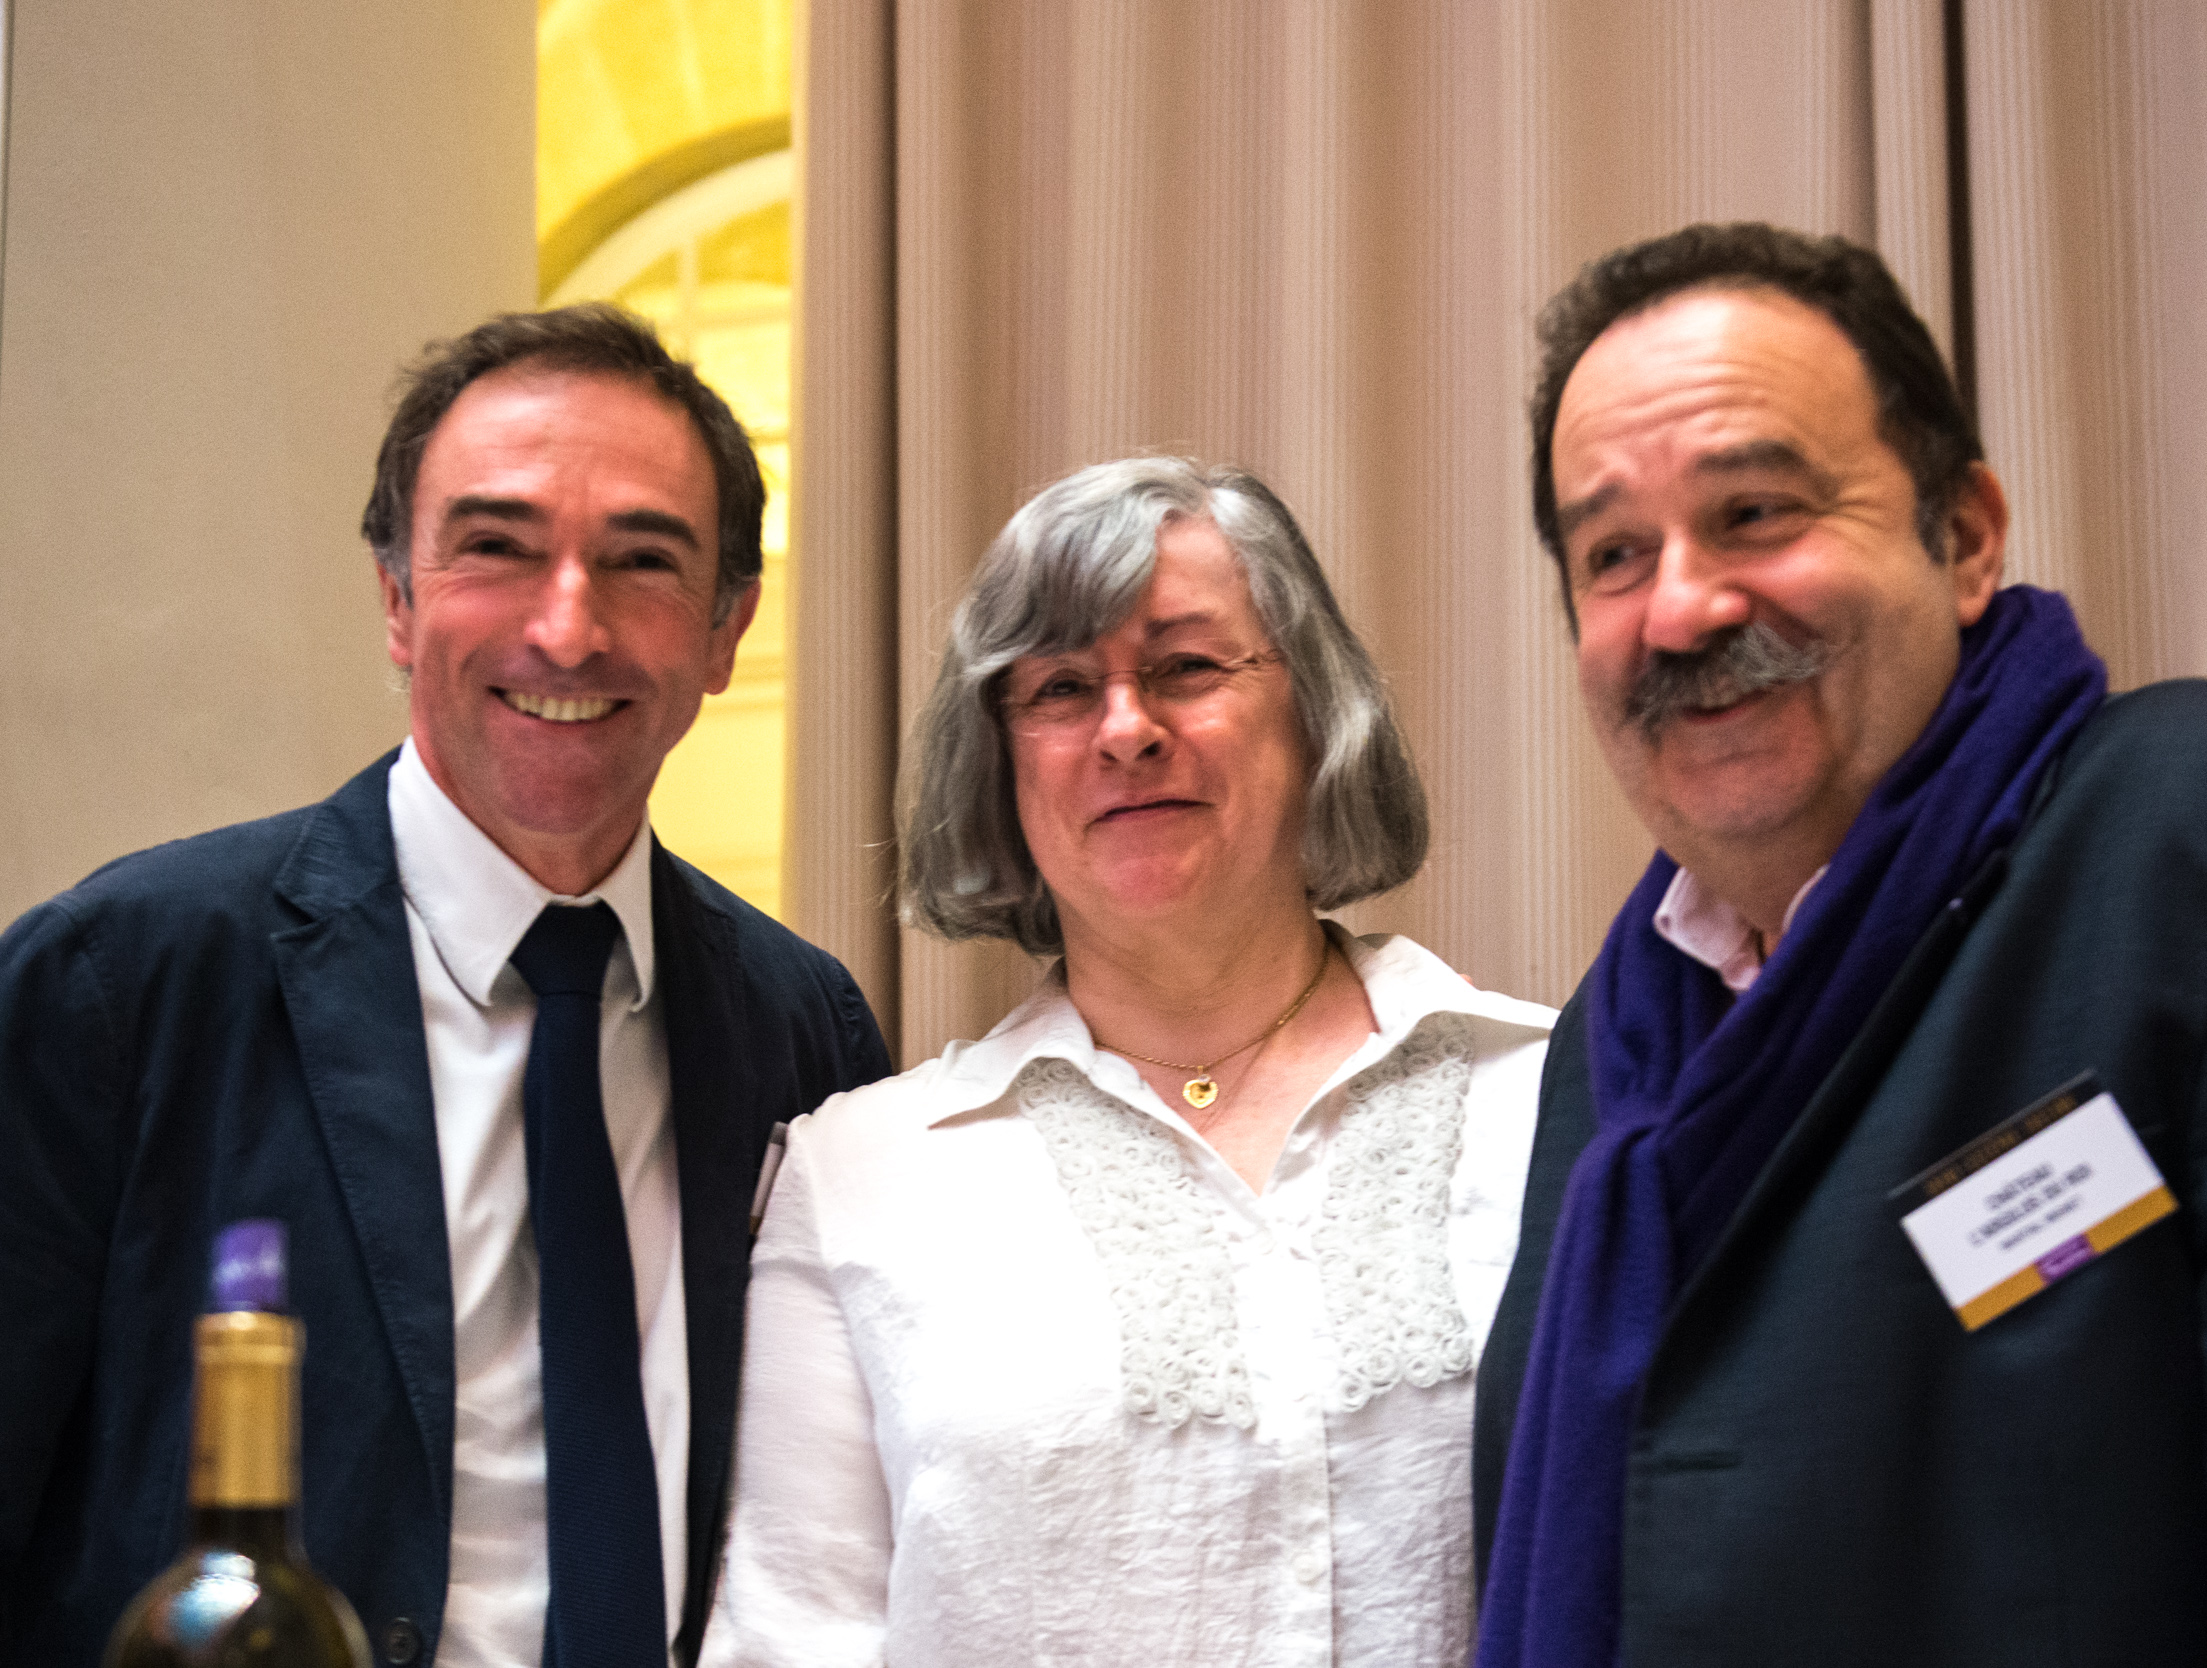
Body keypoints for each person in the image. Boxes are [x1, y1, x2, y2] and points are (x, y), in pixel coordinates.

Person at [1472, 224, 2207, 1667]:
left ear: (1961, 535)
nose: (1683, 608)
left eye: (1755, 512)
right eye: (1614, 555)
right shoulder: (1621, 1044)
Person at [0, 305, 891, 1668]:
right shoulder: (120, 985)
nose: (568, 627)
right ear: (397, 601)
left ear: (726, 633)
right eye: (497, 548)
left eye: (643, 560)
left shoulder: (803, 1033)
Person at [700, 457, 1554, 1667]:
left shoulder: (1553, 1100)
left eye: (1187, 667)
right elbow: (793, 1636)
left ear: (1315, 710)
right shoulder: (853, 1179)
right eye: (1058, 687)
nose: (1125, 730)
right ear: (1000, 765)